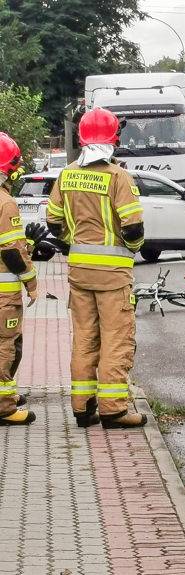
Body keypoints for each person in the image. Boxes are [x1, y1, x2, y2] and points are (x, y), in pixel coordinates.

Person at [46, 107, 147, 429]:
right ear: (114, 139)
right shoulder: (118, 176)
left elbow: (52, 222)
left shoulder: (67, 175)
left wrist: (72, 246)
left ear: (82, 139)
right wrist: (130, 251)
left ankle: (82, 408)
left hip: (78, 273)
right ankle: (114, 410)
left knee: (85, 338)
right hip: (113, 275)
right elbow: (133, 229)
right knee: (116, 338)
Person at [0, 133, 38, 425]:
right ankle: (4, 407)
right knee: (6, 345)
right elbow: (12, 252)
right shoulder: (5, 202)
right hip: (3, 292)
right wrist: (32, 282)